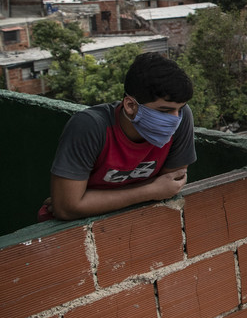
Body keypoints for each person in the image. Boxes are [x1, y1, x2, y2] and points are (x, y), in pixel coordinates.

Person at [40, 52, 196, 221]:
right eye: (164, 111)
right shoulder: (90, 127)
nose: (175, 119)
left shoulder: (183, 117)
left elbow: (171, 184)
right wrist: (149, 191)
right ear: (130, 105)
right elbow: (66, 208)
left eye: (179, 109)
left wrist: (88, 199)